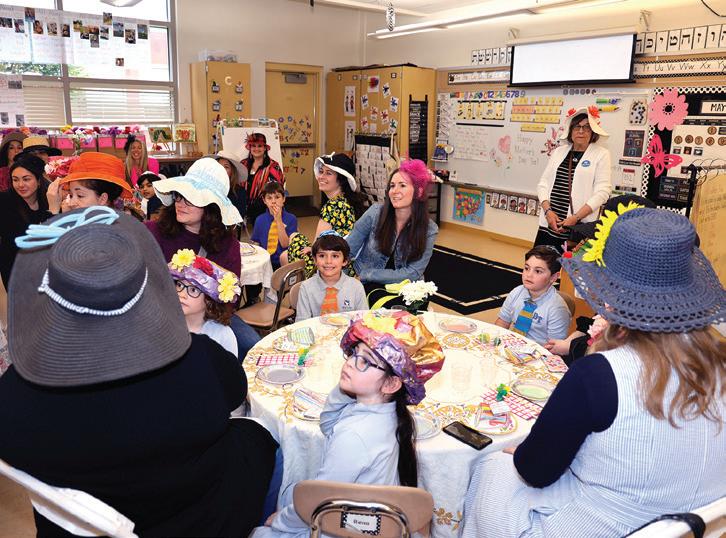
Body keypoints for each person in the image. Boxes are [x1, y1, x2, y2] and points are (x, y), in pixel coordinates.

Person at [0, 207, 278, 537]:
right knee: (262, 434)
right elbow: (235, 390)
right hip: (196, 516)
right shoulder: (198, 358)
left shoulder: (18, 394)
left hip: (79, 526)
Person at [462, 208, 725, 538]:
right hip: (690, 524)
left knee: (491, 467)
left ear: (611, 298)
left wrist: (526, 454)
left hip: (611, 527)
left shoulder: (600, 374)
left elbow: (535, 471)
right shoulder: (719, 363)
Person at [254, 310, 444, 537]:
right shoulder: (388, 410)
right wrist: (348, 384)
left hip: (342, 525)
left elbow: (318, 500)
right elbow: (328, 425)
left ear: (391, 384)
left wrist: (279, 521)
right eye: (354, 353)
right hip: (366, 514)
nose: (351, 363)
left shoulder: (354, 436)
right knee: (292, 491)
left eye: (365, 361)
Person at [145, 157, 260, 357]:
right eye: (179, 196)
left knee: (252, 347)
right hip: (160, 314)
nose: (181, 203)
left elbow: (231, 298)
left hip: (209, 317)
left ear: (211, 205)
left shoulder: (226, 243)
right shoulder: (154, 231)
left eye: (191, 198)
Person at [345, 159, 438, 297]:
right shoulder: (375, 213)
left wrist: (368, 274)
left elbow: (413, 272)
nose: (395, 191)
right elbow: (347, 250)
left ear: (418, 192)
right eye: (392, 186)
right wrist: (342, 281)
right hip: (364, 284)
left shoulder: (429, 229)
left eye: (402, 185)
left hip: (405, 290)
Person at [535, 106, 612, 253]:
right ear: (570, 131)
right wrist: (548, 212)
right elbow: (543, 184)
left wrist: (576, 217)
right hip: (550, 221)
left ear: (593, 132)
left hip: (577, 226)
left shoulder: (601, 154)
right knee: (541, 262)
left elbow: (603, 192)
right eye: (577, 126)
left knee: (569, 265)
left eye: (586, 127)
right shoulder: (559, 152)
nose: (581, 131)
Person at [283, 152, 365, 278]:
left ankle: (299, 284)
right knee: (292, 242)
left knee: (294, 239)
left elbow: (318, 246)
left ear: (341, 180)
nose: (321, 176)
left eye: (328, 173)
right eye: (321, 172)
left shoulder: (332, 206)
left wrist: (311, 248)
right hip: (345, 262)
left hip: (328, 266)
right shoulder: (346, 201)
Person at [169, 248, 241, 359]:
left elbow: (229, 369)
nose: (182, 294)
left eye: (193, 290)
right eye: (179, 285)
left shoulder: (222, 335)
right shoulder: (167, 326)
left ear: (208, 300)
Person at [495, 245, 571, 346]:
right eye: (527, 268)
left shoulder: (558, 309)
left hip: (539, 352)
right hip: (511, 345)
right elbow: (502, 322)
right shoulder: (517, 292)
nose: (529, 275)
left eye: (538, 271)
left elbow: (554, 347)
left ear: (553, 277)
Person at [0, 155, 51, 288]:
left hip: (44, 268)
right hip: (14, 267)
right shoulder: (4, 201)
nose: (20, 185)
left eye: (26, 179)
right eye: (15, 180)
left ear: (38, 181)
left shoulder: (48, 200)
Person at [295, 232, 367, 322]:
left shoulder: (356, 287)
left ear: (345, 261)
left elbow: (363, 320)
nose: (328, 261)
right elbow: (301, 323)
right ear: (315, 260)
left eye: (335, 256)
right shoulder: (306, 287)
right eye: (322, 256)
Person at [48, 152, 133, 213]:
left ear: (102, 199)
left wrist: (54, 210)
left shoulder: (102, 231)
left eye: (80, 195)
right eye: (71, 195)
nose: (70, 203)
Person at [251, 181, 297, 270]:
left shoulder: (291, 219)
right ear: (264, 201)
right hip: (265, 262)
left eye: (277, 197)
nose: (273, 201)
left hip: (283, 262)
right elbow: (256, 244)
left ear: (284, 199)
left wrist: (278, 220)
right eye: (269, 198)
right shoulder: (259, 220)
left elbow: (285, 244)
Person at [241, 133, 284, 227]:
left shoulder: (273, 166)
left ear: (265, 148)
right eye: (253, 146)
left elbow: (278, 188)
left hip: (266, 207)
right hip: (246, 206)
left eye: (260, 146)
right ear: (250, 148)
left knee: (266, 232)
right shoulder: (243, 164)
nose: (256, 149)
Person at [213, 148, 249, 226]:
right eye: (219, 166)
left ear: (232, 171)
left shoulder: (239, 192)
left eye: (226, 167)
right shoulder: (208, 188)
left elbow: (238, 218)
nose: (221, 169)